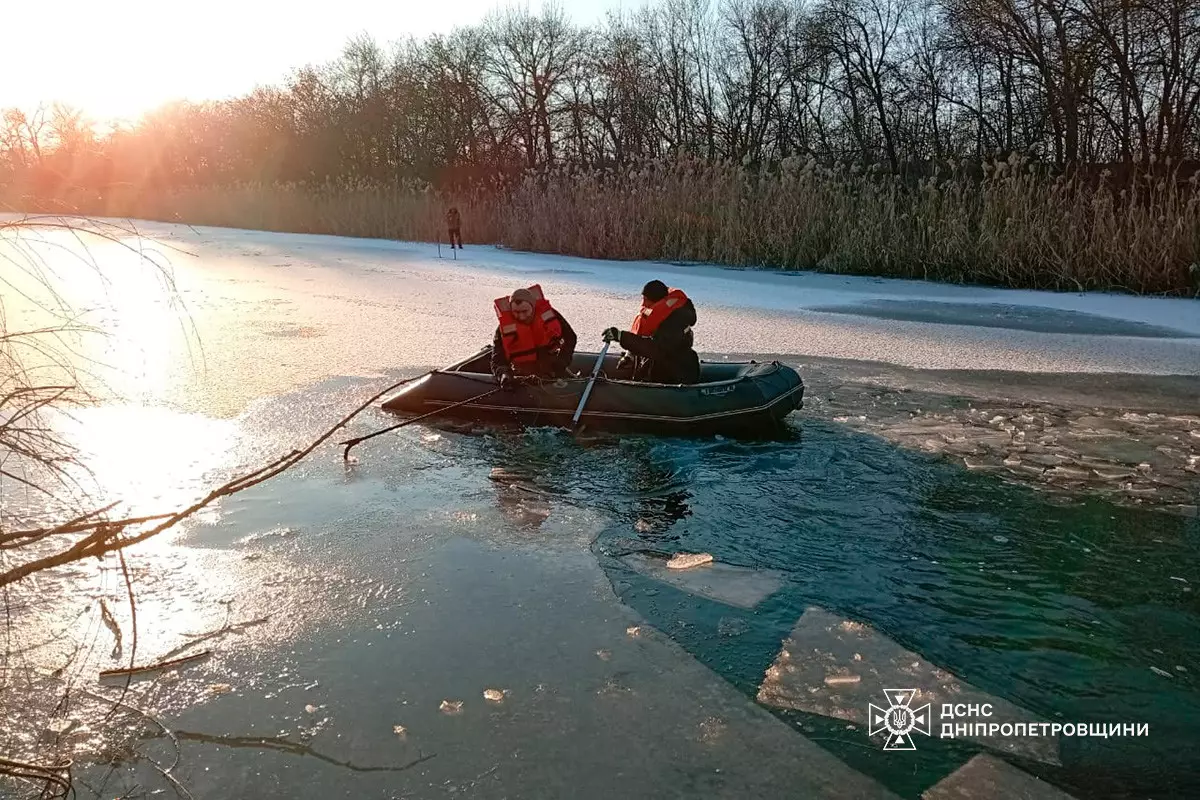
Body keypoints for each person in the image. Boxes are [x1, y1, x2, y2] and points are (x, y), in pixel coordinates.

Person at [602, 280, 700, 384]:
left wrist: (622, 337)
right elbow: (642, 337)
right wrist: (630, 355)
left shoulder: (675, 322)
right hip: (658, 369)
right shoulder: (657, 315)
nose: (643, 304)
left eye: (646, 299)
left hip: (675, 375)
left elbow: (656, 348)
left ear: (657, 301)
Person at [492, 285, 577, 390]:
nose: (521, 316)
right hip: (523, 375)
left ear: (533, 306)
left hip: (552, 370)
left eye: (525, 311)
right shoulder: (503, 329)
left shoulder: (550, 315)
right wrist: (503, 374)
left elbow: (570, 337)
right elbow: (498, 359)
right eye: (516, 312)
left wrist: (562, 361)